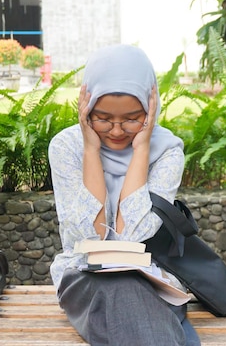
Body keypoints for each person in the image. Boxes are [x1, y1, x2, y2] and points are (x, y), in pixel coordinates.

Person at [48, 44, 201, 346]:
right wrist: (91, 149)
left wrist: (142, 149)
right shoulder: (67, 148)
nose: (117, 131)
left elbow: (131, 238)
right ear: (86, 107)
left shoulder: (167, 151)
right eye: (103, 118)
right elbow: (86, 242)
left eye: (132, 118)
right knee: (121, 288)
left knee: (127, 291)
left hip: (152, 277)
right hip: (83, 278)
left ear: (150, 106)